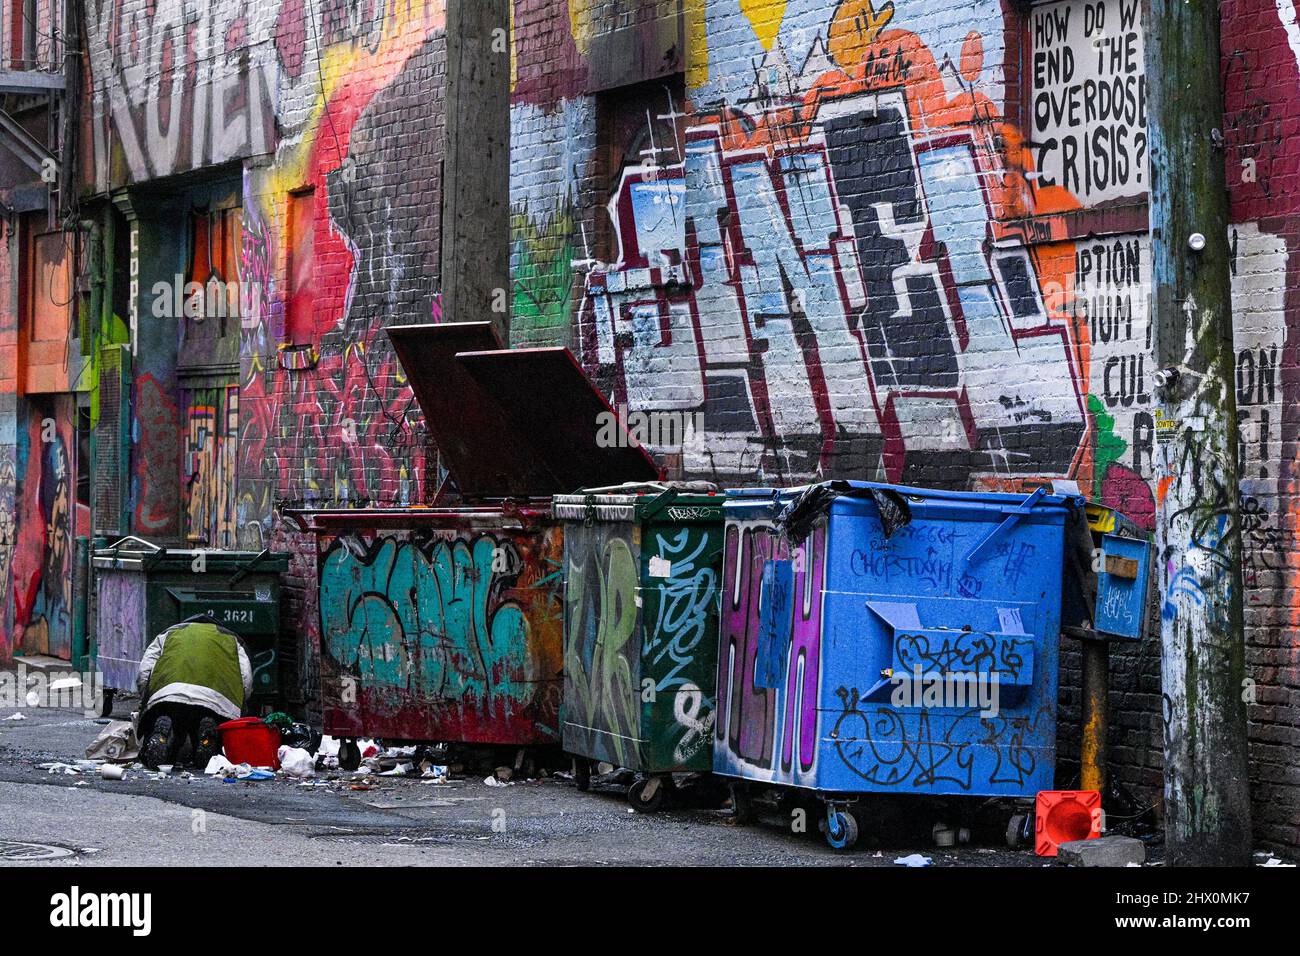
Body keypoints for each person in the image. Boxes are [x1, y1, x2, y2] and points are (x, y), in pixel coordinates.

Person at [136, 615, 252, 769]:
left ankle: (162, 735)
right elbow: (246, 678)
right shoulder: (233, 639)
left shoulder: (168, 634)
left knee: (167, 716)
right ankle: (208, 739)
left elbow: (144, 671)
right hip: (216, 697)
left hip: (169, 691)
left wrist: (146, 698)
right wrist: (243, 700)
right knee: (212, 719)